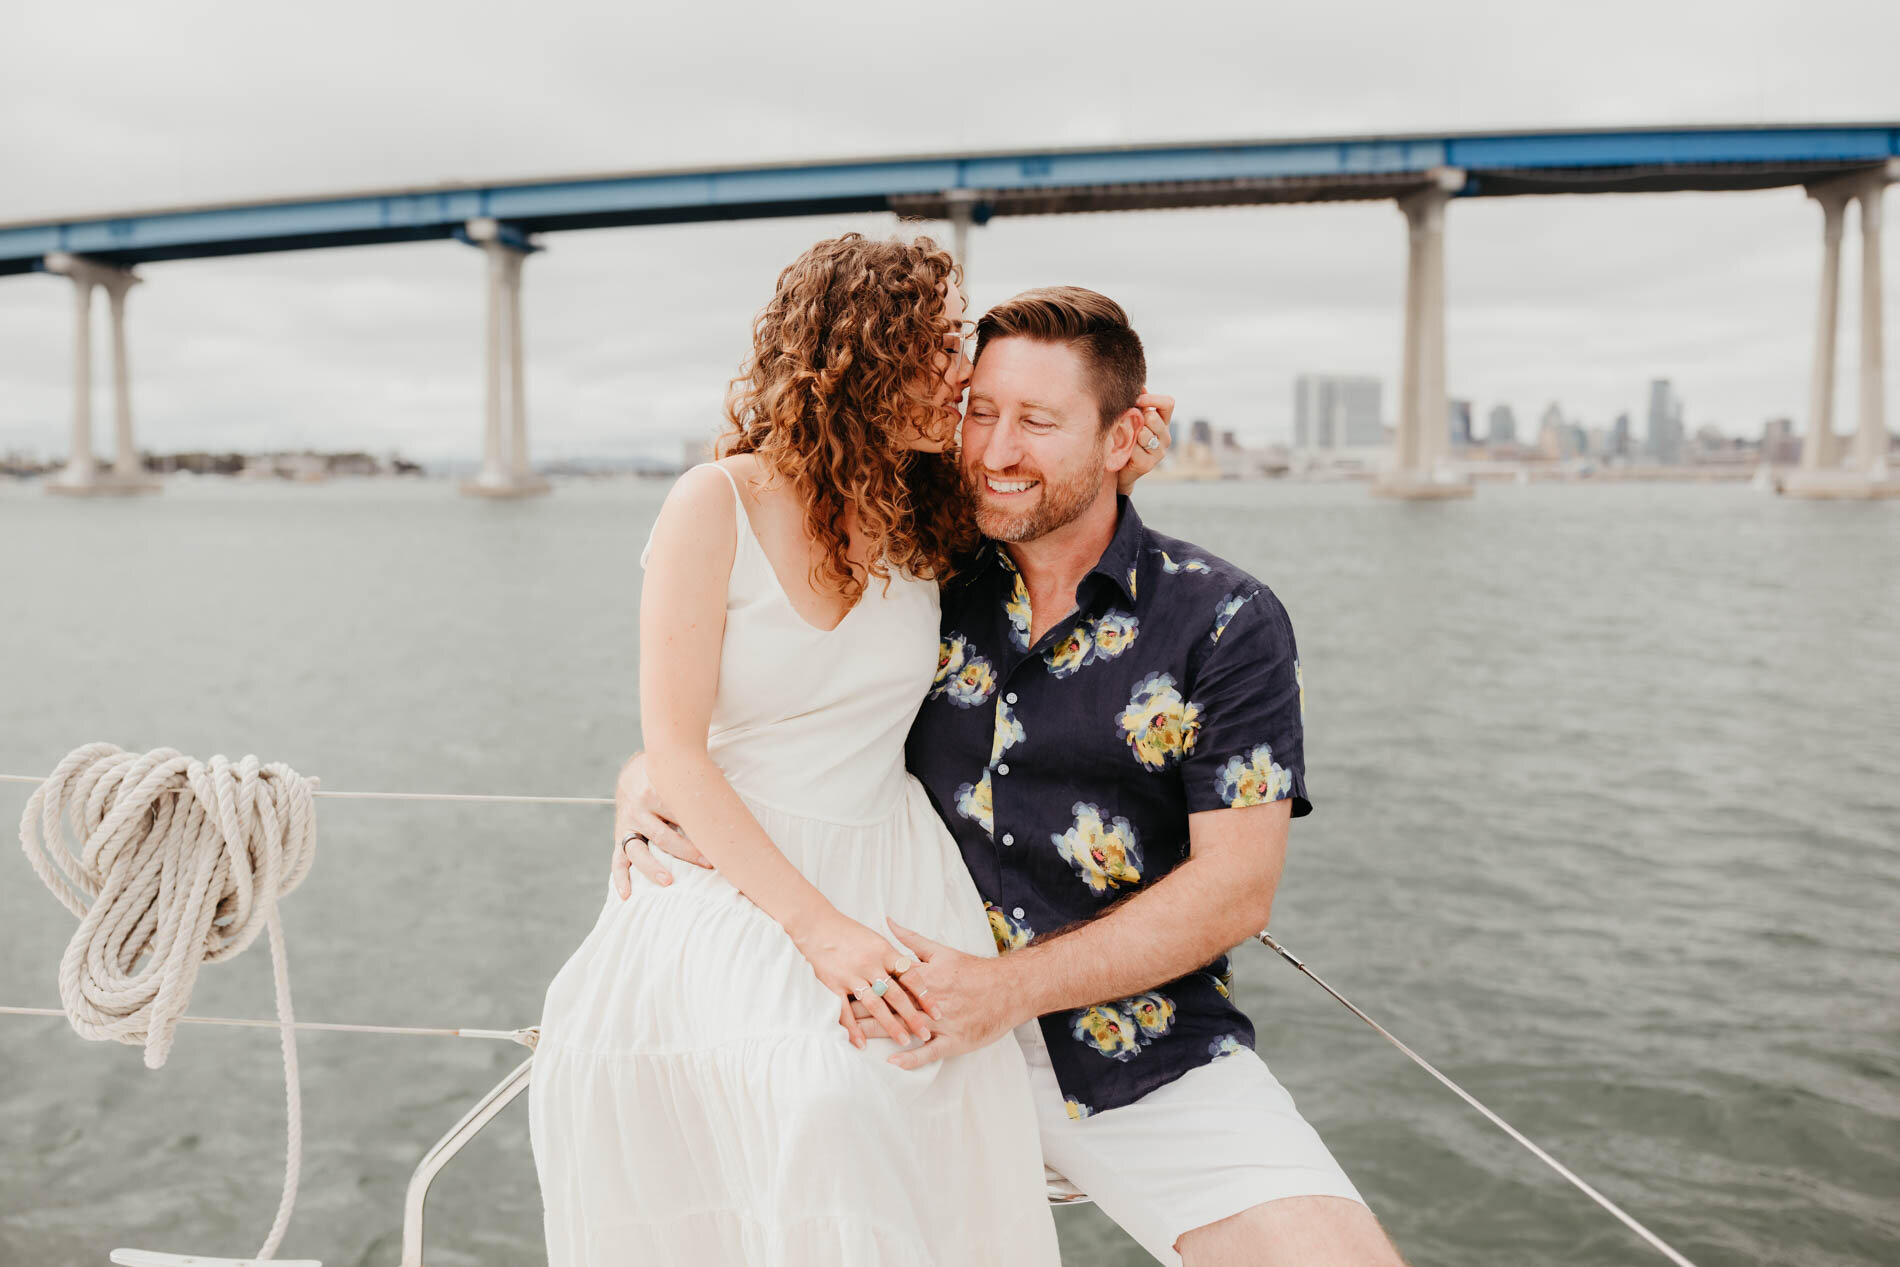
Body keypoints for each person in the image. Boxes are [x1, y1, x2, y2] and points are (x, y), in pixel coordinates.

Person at [615, 287, 1411, 1266]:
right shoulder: (917, 570)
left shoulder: (1224, 620)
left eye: (1037, 421)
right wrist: (646, 773)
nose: (994, 450)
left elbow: (1234, 890)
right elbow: (770, 691)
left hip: (1135, 1042)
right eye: (978, 412)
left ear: (1125, 439)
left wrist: (1001, 992)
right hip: (885, 1024)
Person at [526, 234, 1172, 1267]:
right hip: (737, 873)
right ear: (856, 358)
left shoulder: (928, 511)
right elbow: (678, 750)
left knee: (885, 1101)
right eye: (931, 350)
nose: (956, 375)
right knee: (813, 1097)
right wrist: (810, 924)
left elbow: (1062, 528)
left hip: (891, 859)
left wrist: (1119, 452)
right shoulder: (716, 501)